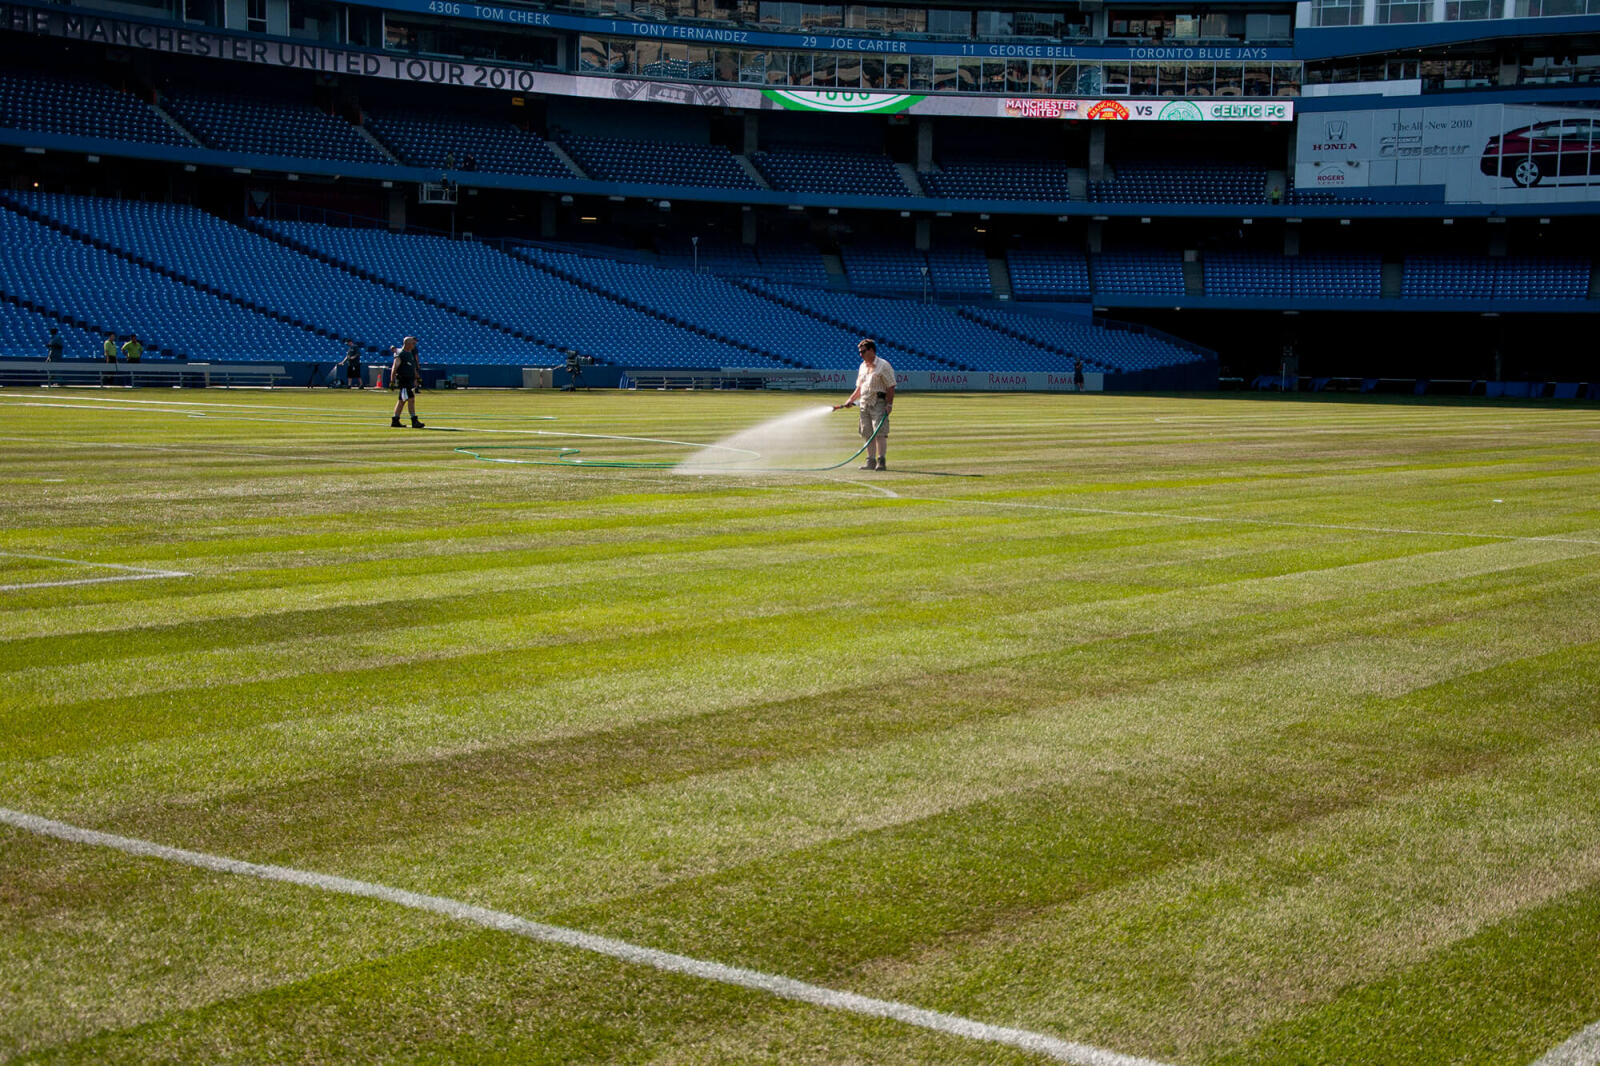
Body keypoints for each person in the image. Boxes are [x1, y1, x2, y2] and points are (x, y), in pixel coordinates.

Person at [833, 338, 895, 470]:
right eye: (860, 352)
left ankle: (881, 461)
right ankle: (870, 461)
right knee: (867, 432)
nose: (861, 354)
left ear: (872, 350)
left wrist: (889, 405)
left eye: (863, 351)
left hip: (879, 402)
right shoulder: (862, 366)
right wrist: (850, 400)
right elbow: (860, 387)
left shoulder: (883, 365)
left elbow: (891, 386)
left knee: (880, 432)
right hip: (864, 403)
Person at [389, 336, 424, 428]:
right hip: (404, 381)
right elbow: (394, 367)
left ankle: (395, 420)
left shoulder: (410, 354)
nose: (414, 345)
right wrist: (392, 381)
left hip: (409, 381)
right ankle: (414, 420)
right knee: (411, 399)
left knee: (402, 400)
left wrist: (418, 377)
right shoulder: (401, 354)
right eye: (413, 343)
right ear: (408, 344)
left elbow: (412, 368)